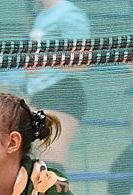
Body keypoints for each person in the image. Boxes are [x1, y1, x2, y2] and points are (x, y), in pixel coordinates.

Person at [24, 0, 91, 172]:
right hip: (39, 94)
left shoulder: (68, 13)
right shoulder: (44, 14)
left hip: (61, 92)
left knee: (51, 159)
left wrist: (45, 60)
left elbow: (83, 59)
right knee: (36, 160)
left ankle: (58, 191)